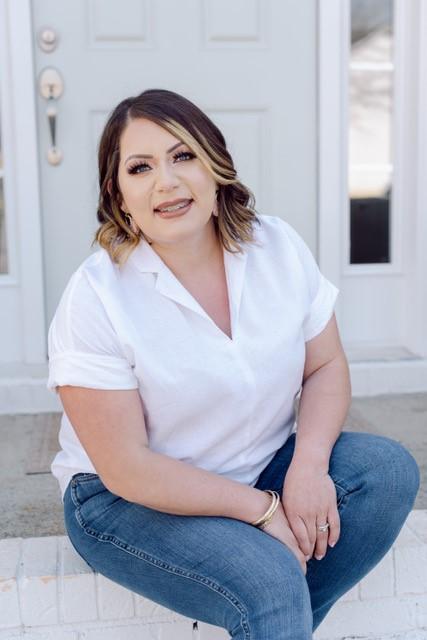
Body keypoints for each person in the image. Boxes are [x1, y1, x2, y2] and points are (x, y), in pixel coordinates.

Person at [47, 88, 420, 639]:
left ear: (215, 165)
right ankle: (271, 612)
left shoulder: (277, 248)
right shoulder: (96, 296)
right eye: (140, 167)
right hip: (124, 501)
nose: (166, 182)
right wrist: (264, 511)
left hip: (257, 465)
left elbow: (325, 366)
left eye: (183, 156)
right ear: (119, 195)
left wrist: (309, 465)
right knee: (268, 582)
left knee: (386, 473)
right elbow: (127, 467)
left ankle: (276, 622)